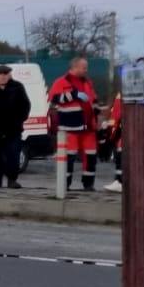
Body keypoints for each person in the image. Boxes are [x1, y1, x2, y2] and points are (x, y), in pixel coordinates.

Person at [49, 56, 100, 191]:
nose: (86, 70)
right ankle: (65, 185)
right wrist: (74, 95)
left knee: (91, 156)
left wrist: (97, 118)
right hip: (69, 127)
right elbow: (54, 99)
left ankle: (88, 184)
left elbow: (94, 101)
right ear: (75, 67)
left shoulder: (87, 83)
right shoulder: (61, 82)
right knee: (68, 157)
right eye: (84, 67)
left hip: (88, 127)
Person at [0, 64, 31, 189]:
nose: (3, 77)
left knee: (13, 156)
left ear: (10, 75)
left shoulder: (17, 87)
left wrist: (19, 120)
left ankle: (12, 180)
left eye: (6, 74)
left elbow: (25, 106)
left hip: (13, 129)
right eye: (1, 74)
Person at [105, 92, 124, 194]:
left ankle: (119, 181)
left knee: (120, 157)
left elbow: (116, 115)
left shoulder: (122, 94)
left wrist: (112, 134)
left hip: (123, 132)